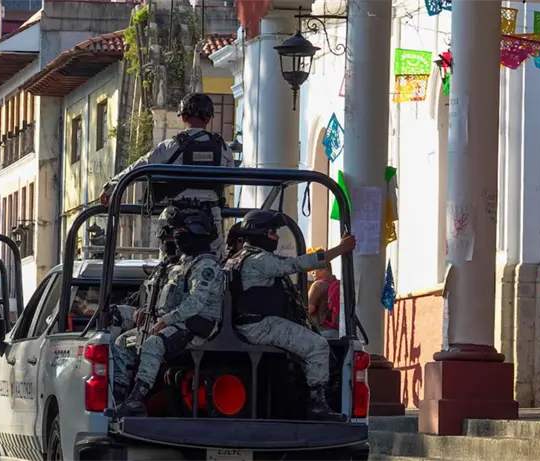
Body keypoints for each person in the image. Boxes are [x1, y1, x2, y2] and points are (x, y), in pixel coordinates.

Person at [225, 210, 356, 421]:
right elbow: (297, 265)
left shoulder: (238, 258)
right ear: (259, 233)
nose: (276, 237)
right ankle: (317, 405)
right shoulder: (259, 260)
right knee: (318, 346)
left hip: (247, 323)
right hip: (260, 325)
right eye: (272, 232)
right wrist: (340, 250)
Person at [111, 208, 223, 417]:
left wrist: (165, 320)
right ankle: (120, 396)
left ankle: (136, 400)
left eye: (182, 230)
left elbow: (195, 303)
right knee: (124, 342)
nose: (177, 236)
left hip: (196, 325)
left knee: (154, 344)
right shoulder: (182, 264)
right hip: (175, 322)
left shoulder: (206, 265)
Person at [99, 93, 235, 259]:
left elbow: (140, 166)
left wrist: (110, 187)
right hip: (212, 216)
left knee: (168, 265)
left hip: (177, 214)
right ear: (208, 118)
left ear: (183, 116)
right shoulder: (222, 147)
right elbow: (229, 179)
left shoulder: (171, 145)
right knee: (214, 265)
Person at [307, 247, 341, 340]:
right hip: (337, 332)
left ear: (323, 269)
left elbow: (309, 309)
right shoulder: (339, 284)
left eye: (314, 269)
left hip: (321, 332)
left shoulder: (318, 285)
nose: (313, 273)